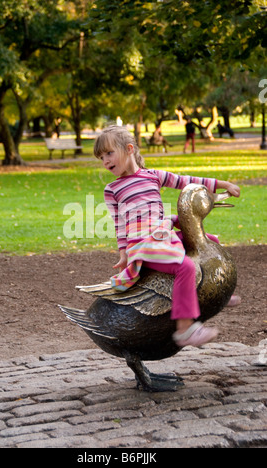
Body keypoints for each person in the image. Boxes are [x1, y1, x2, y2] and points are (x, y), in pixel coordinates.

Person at [94, 125, 241, 348]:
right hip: (144, 245)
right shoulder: (112, 189)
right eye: (101, 157)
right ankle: (185, 330)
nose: (105, 161)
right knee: (186, 268)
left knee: (208, 242)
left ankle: (214, 294)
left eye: (109, 153)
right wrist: (124, 254)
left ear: (129, 149)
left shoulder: (154, 176)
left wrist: (223, 184)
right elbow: (119, 225)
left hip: (162, 235)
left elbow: (187, 182)